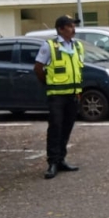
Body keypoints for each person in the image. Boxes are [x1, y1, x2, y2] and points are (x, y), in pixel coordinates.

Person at [33, 15, 84, 180]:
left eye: (74, 26)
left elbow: (77, 69)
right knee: (55, 128)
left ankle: (61, 159)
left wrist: (77, 91)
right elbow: (38, 68)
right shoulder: (49, 46)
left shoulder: (77, 46)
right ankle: (53, 162)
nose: (73, 29)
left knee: (67, 127)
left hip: (73, 94)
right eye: (70, 26)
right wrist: (48, 83)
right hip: (57, 96)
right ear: (60, 29)